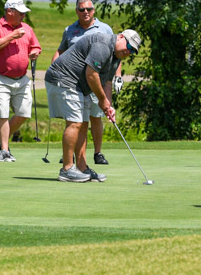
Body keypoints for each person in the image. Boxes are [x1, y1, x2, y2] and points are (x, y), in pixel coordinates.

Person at [45, 29, 141, 182]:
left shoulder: (115, 57)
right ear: (121, 37)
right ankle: (67, 169)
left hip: (78, 84)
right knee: (75, 122)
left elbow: (107, 82)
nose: (128, 52)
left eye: (132, 51)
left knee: (83, 123)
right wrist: (102, 100)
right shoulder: (103, 44)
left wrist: (108, 105)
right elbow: (91, 74)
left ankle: (82, 168)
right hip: (63, 78)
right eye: (128, 47)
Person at [51, 0, 123, 165]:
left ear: (94, 10)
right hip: (75, 82)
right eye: (82, 9)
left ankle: (98, 152)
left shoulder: (104, 29)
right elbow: (61, 51)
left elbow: (116, 55)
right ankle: (73, 154)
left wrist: (117, 76)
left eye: (89, 9)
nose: (86, 12)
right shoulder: (69, 30)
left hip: (97, 79)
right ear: (76, 11)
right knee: (75, 118)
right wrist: (54, 68)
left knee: (95, 116)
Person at [0, 0, 42, 162]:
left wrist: (35, 52)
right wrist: (12, 36)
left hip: (22, 79)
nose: (24, 16)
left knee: (24, 112)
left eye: (24, 13)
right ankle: (4, 150)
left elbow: (36, 46)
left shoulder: (27, 28)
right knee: (1, 112)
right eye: (21, 13)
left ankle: (0, 142)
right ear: (10, 11)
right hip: (0, 78)